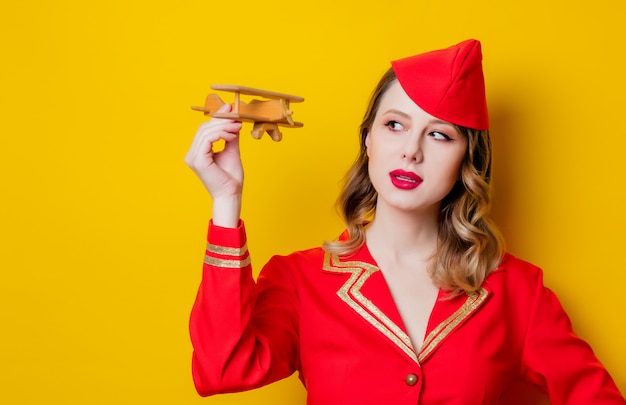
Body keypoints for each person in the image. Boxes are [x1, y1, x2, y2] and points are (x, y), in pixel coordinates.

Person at [185, 39, 626, 404]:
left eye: (439, 134)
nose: (411, 150)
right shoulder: (301, 280)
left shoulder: (516, 292)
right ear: (368, 139)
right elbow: (222, 370)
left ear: (466, 160)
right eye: (395, 125)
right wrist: (226, 202)